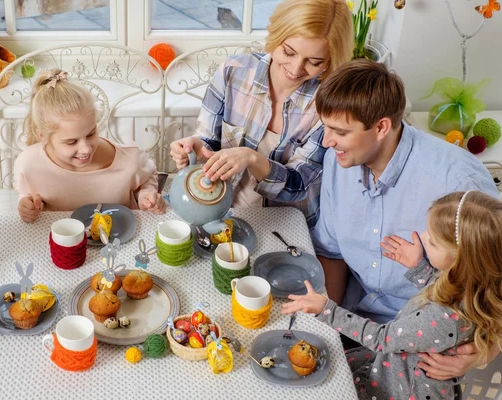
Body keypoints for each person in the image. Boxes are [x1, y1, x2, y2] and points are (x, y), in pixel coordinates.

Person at [284, 59, 499, 380]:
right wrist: (326, 327)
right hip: (354, 320)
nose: (326, 141)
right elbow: (332, 252)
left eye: (340, 132)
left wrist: (484, 351)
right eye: (326, 127)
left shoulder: (457, 181)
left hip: (426, 345)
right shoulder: (337, 161)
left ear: (382, 127)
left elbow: (494, 276)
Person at [288, 191, 502, 400]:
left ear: (462, 261)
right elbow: (440, 293)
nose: (423, 239)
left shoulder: (446, 319)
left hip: (397, 390)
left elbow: (382, 339)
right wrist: (418, 268)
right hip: (393, 370)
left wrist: (327, 310)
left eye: (433, 241)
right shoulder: (470, 287)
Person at [169, 0, 354, 228]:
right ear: (275, 36)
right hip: (222, 212)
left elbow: (298, 186)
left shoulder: (329, 104)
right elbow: (210, 140)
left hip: (286, 224)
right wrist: (196, 148)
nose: (296, 69)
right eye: (288, 52)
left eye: (315, 62)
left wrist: (252, 158)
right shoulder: (233, 72)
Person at [14, 69, 166, 223]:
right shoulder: (29, 164)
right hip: (61, 243)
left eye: (91, 134)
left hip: (120, 241)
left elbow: (148, 176)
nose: (86, 149)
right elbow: (27, 194)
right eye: (71, 142)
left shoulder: (128, 160)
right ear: (43, 136)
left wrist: (145, 194)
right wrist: (27, 205)